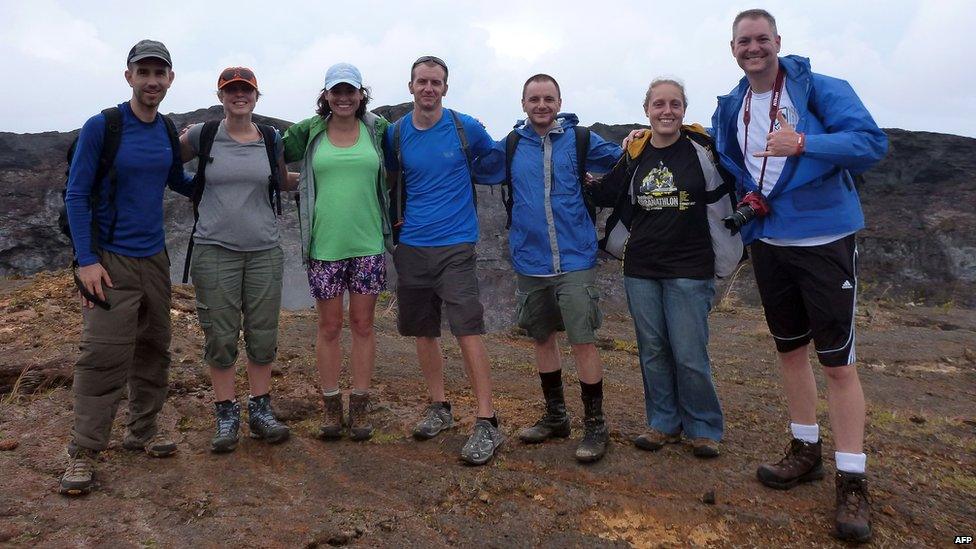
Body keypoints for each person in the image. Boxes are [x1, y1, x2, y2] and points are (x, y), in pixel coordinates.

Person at [710, 9, 887, 542]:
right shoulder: (732, 106)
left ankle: (852, 479)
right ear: (733, 48)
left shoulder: (822, 89)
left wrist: (806, 143)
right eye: (744, 41)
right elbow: (737, 164)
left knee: (837, 364)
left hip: (824, 241)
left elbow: (870, 144)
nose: (753, 48)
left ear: (778, 42)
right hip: (768, 242)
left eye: (762, 39)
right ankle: (804, 448)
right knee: (788, 351)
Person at [60, 39, 195, 496]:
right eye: (144, 72)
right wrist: (86, 260)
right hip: (111, 259)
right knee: (103, 354)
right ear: (129, 77)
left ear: (170, 79)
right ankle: (83, 450)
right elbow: (77, 194)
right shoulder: (105, 126)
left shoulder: (165, 130)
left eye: (161, 73)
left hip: (154, 258)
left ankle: (141, 430)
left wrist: (236, 173)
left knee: (154, 347)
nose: (152, 81)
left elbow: (178, 181)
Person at [474, 74, 621, 462]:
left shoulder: (581, 140)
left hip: (575, 257)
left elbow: (624, 158)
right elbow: (478, 169)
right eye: (534, 99)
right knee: (542, 338)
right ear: (523, 103)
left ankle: (595, 426)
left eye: (548, 98)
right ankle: (556, 416)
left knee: (582, 340)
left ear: (559, 101)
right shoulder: (511, 147)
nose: (541, 105)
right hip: (531, 259)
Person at [590, 79, 735, 460]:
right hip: (641, 266)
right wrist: (572, 178)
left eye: (674, 104)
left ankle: (703, 427)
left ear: (684, 110)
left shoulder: (702, 150)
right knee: (652, 349)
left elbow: (733, 180)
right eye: (659, 104)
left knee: (689, 352)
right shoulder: (636, 152)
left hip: (691, 266)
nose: (666, 111)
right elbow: (607, 192)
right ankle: (663, 423)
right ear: (647, 110)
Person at [383, 55, 502, 465]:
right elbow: (386, 175)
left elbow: (497, 160)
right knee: (423, 329)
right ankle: (439, 407)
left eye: (436, 82)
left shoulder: (464, 127)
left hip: (456, 244)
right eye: (422, 82)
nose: (429, 88)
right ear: (411, 86)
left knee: (467, 328)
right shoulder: (397, 133)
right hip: (412, 244)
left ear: (445, 88)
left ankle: (487, 420)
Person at [179, 67, 294, 453]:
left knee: (262, 332)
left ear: (257, 97)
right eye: (232, 90)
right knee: (221, 333)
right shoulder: (203, 135)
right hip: (214, 249)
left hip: (263, 249)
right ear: (221, 96)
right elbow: (164, 160)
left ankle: (260, 410)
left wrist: (324, 173)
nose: (239, 96)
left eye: (246, 90)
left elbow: (281, 181)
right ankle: (226, 413)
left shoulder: (270, 139)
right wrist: (188, 187)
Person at [282, 63, 392, 441]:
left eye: (351, 91)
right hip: (324, 246)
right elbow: (269, 149)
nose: (344, 98)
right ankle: (331, 408)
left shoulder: (377, 130)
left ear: (362, 94)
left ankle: (359, 406)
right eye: (336, 91)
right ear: (326, 95)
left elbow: (401, 163)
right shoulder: (310, 131)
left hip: (368, 244)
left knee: (362, 325)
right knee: (329, 327)